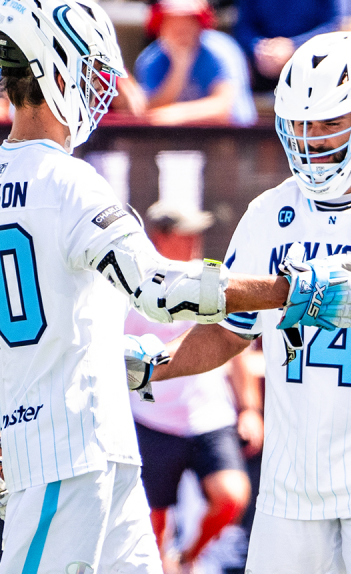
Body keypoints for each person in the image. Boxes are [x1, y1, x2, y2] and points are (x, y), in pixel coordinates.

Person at [0, 0, 351, 573]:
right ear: (57, 71)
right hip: (82, 454)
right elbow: (160, 290)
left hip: (62, 454)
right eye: (85, 72)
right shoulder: (69, 182)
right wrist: (291, 290)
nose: (93, 90)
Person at [144, 31, 351, 574]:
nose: (311, 138)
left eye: (327, 122)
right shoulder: (270, 212)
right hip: (292, 485)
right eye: (299, 122)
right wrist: (150, 364)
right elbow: (229, 332)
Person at [128, 201, 259, 572]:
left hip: (209, 418)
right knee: (149, 528)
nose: (195, 241)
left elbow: (235, 343)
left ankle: (188, 560)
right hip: (151, 422)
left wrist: (249, 408)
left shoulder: (212, 279)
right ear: (159, 237)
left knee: (233, 496)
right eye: (186, 233)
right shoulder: (131, 288)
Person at [134, 0, 256, 126]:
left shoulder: (221, 50)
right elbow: (150, 111)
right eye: (171, 21)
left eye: (188, 21)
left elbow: (224, 107)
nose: (180, 29)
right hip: (179, 140)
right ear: (159, 27)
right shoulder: (150, 60)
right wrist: (179, 67)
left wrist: (180, 114)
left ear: (200, 24)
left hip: (232, 137)